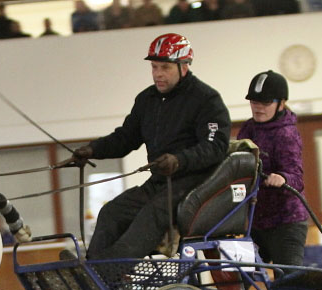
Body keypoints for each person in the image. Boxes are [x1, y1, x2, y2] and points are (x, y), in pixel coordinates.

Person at [70, 33, 230, 263]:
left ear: (184, 66)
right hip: (158, 183)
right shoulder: (147, 100)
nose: (157, 74)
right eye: (154, 67)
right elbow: (126, 138)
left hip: (194, 184)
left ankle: (107, 275)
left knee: (149, 217)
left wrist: (179, 160)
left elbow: (216, 146)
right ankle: (93, 270)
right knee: (111, 212)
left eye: (164, 67)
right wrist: (92, 150)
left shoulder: (206, 99)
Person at [237, 70, 307, 266]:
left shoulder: (286, 134)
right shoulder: (248, 129)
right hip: (256, 222)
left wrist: (282, 178)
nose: (258, 108)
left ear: (281, 104)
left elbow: (297, 177)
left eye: (265, 103)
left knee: (287, 281)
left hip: (286, 223)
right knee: (237, 277)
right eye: (254, 102)